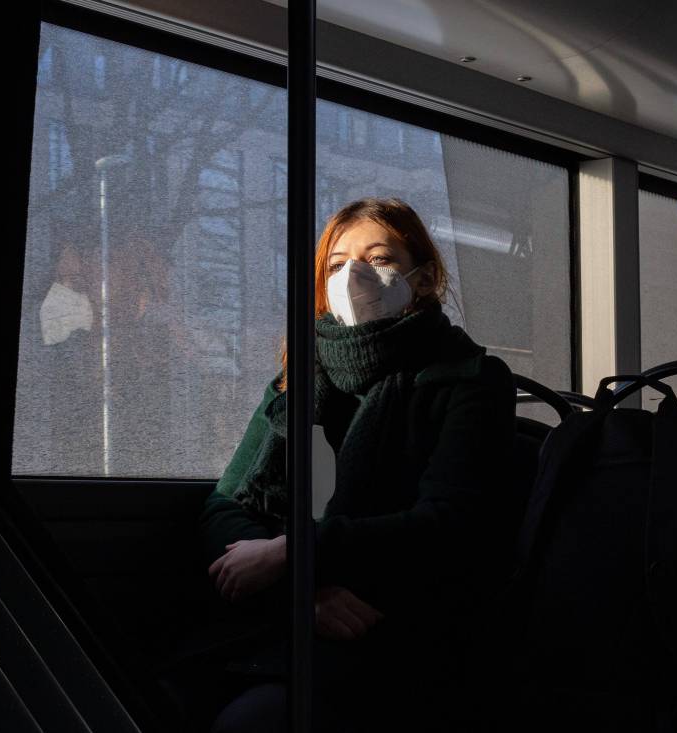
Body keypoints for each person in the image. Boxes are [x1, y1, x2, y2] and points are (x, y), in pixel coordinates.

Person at [196, 197, 516, 732]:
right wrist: (302, 593)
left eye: (379, 258)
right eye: (337, 263)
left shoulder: (470, 379)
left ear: (425, 276)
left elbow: (447, 526)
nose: (354, 276)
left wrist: (291, 554)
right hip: (289, 618)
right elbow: (224, 506)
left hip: (396, 627)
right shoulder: (297, 381)